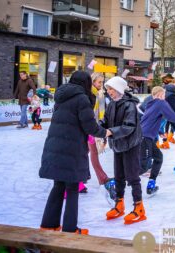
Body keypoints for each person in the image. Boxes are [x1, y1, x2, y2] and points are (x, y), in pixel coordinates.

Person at [39, 71, 110, 234]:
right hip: (71, 149)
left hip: (55, 146)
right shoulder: (81, 98)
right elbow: (90, 127)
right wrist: (106, 132)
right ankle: (70, 229)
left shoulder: (61, 96)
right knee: (71, 187)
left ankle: (48, 225)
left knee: (58, 186)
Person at [101, 76, 145, 225]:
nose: (109, 92)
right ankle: (119, 205)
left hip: (131, 144)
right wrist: (98, 127)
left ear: (119, 89)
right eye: (108, 89)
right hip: (118, 144)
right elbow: (106, 121)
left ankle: (139, 207)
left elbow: (129, 126)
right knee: (119, 175)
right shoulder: (112, 105)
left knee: (132, 176)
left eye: (111, 89)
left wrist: (110, 132)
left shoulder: (129, 106)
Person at [141, 86, 175, 195]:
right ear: (160, 95)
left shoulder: (150, 105)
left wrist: (159, 132)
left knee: (158, 158)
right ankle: (117, 181)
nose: (164, 98)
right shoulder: (160, 103)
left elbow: (149, 121)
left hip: (145, 137)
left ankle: (151, 184)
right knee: (143, 167)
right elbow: (173, 117)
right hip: (144, 139)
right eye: (163, 95)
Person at [88, 72, 115, 199]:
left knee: (89, 152)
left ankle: (84, 178)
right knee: (92, 152)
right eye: (99, 82)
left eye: (102, 82)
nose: (101, 84)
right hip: (90, 128)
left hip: (94, 126)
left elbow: (101, 113)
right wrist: (96, 129)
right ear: (93, 82)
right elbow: (91, 112)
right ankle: (101, 178)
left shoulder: (99, 93)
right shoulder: (92, 93)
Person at [160, 83, 175, 149]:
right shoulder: (173, 96)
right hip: (161, 115)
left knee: (162, 127)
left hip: (162, 115)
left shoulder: (168, 92)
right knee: (161, 128)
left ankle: (165, 141)